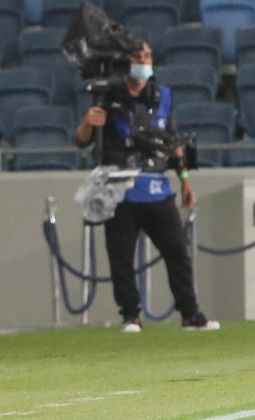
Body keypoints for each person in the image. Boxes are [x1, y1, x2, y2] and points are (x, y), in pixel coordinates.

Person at [75, 42, 220, 333]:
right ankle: (131, 315)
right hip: (120, 192)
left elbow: (172, 140)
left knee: (177, 253)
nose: (143, 61)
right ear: (126, 61)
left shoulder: (163, 96)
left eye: (147, 56)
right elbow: (81, 140)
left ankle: (190, 314)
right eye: (138, 56)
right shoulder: (107, 96)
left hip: (157, 189)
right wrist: (89, 122)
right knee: (121, 257)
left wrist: (185, 180)